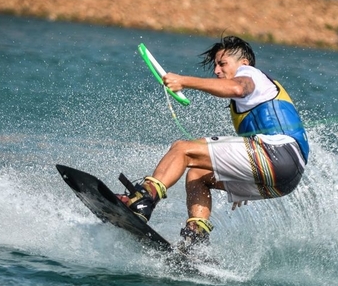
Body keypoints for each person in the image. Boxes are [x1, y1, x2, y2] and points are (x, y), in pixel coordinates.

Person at [119, 36, 309, 250]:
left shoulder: (250, 73)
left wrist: (184, 81)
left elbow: (238, 88)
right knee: (198, 175)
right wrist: (248, 172)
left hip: (276, 153)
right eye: (216, 66)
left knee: (182, 149)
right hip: (285, 181)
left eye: (222, 64)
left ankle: (142, 199)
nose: (217, 70)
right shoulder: (254, 98)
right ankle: (195, 240)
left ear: (243, 63)